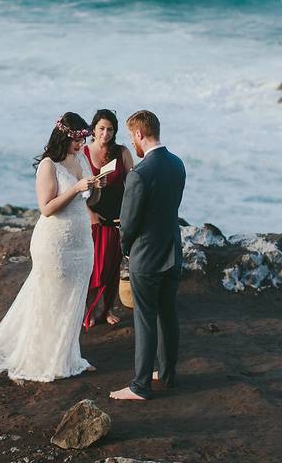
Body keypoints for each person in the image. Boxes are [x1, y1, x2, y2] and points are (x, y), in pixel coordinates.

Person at [0, 112, 103, 382]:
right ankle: (43, 359)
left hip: (81, 240)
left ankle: (68, 356)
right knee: (51, 298)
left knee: (74, 297)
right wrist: (76, 189)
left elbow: (90, 201)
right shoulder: (48, 166)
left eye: (83, 139)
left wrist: (97, 187)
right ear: (64, 137)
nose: (81, 144)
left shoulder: (82, 158)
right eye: (77, 140)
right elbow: (46, 208)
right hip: (54, 242)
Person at [109, 110, 186, 401]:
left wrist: (126, 248)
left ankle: (140, 385)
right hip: (172, 250)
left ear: (139, 134)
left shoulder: (139, 174)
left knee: (144, 318)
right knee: (168, 314)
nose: (133, 143)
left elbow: (128, 224)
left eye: (132, 137)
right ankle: (167, 374)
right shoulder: (178, 165)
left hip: (146, 256)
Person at [82, 108, 135, 330]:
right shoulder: (83, 153)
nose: (106, 133)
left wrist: (130, 215)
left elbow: (134, 185)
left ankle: (107, 309)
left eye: (110, 129)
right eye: (101, 128)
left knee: (113, 266)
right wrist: (90, 215)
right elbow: (76, 189)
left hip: (117, 218)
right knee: (93, 267)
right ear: (93, 129)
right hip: (92, 217)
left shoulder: (122, 152)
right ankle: (90, 310)